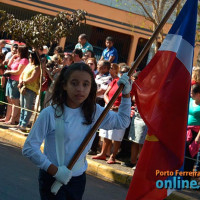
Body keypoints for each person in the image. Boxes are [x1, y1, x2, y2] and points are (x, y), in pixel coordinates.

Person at [22, 63, 132, 200]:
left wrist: (126, 94)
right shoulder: (50, 114)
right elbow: (29, 147)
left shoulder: (95, 111)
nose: (80, 89)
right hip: (52, 178)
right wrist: (54, 171)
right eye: (74, 83)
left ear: (91, 87)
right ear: (64, 85)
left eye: (85, 84)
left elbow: (123, 122)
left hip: (78, 180)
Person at [92, 63, 126, 164]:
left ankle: (113, 156)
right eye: (122, 72)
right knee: (105, 131)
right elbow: (106, 94)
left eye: (124, 72)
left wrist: (118, 107)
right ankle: (103, 153)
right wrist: (109, 104)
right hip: (109, 108)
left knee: (116, 134)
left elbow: (128, 99)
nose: (122, 74)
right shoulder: (115, 81)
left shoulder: (128, 84)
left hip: (119, 111)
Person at [2, 46, 29, 124]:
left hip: (16, 81)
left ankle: (12, 120)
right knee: (9, 100)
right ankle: (7, 118)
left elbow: (18, 71)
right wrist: (13, 56)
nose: (16, 51)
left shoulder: (24, 60)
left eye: (18, 50)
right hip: (10, 80)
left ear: (21, 51)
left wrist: (9, 72)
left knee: (15, 101)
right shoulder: (17, 58)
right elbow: (9, 65)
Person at [17, 51, 40, 130]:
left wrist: (23, 82)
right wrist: (20, 82)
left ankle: (24, 124)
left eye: (30, 57)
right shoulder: (29, 65)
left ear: (34, 58)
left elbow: (32, 78)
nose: (29, 58)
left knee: (28, 107)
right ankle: (20, 123)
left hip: (30, 89)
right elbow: (22, 75)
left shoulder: (37, 67)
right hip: (23, 87)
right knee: (22, 106)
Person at [184, 83, 200, 179]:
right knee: (183, 154)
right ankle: (180, 176)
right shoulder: (190, 101)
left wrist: (198, 137)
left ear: (198, 94)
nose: (190, 94)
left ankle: (186, 178)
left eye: (192, 93)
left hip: (195, 133)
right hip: (186, 131)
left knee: (190, 155)